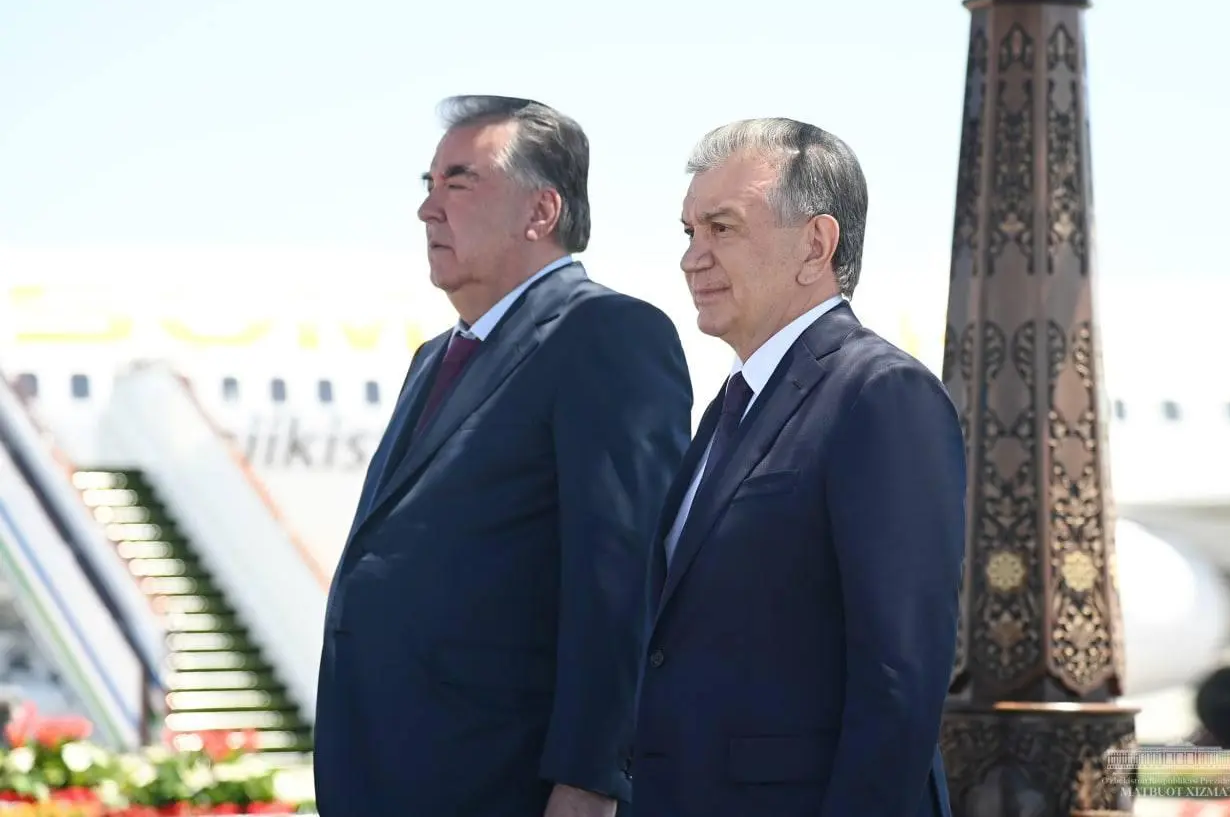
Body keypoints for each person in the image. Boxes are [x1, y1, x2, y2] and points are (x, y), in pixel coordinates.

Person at [314, 95, 693, 817]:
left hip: (503, 781)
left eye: (458, 183)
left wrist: (591, 779)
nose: (428, 209)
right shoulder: (435, 357)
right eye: (428, 184)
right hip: (394, 774)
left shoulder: (606, 333)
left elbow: (622, 580)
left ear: (541, 211)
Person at [631, 118, 967, 817]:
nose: (692, 258)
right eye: (689, 231)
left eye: (722, 228)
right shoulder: (731, 406)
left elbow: (898, 679)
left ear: (816, 244)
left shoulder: (881, 395)